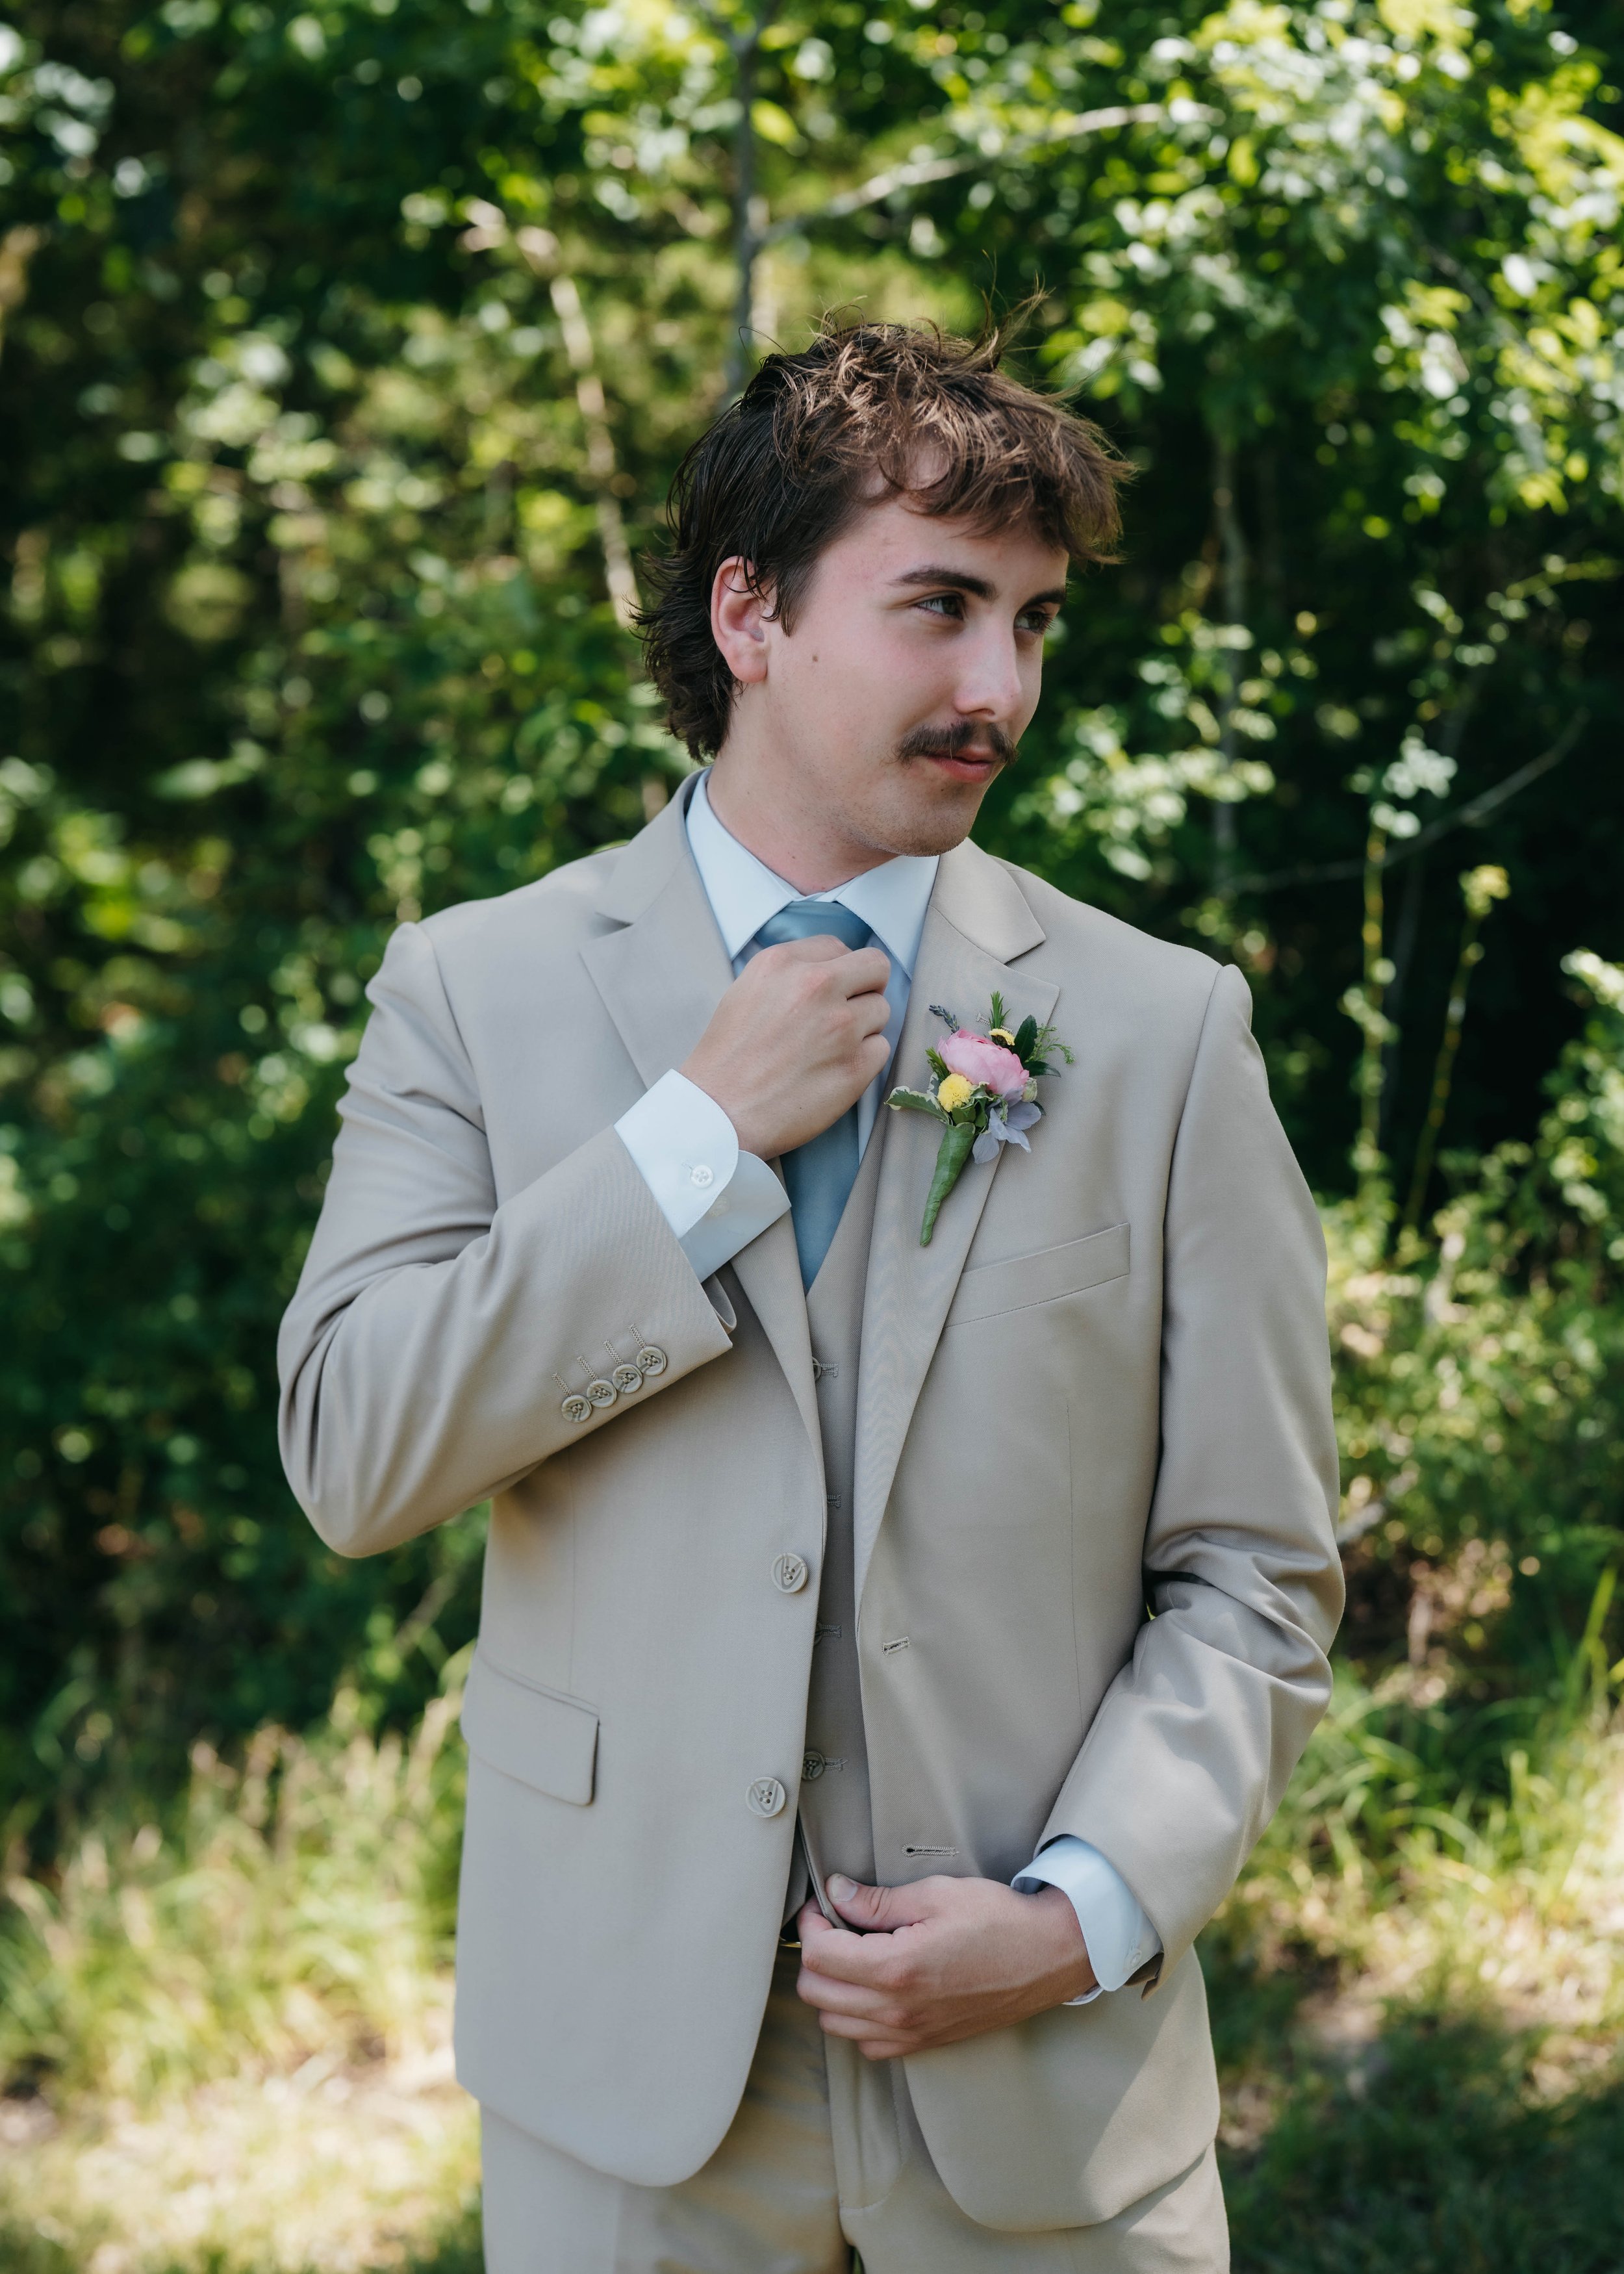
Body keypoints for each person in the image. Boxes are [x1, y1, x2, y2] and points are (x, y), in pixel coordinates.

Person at [278, 319, 1342, 2273]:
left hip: (1043, 2080)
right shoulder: (474, 990)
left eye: (1029, 624)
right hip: (631, 2090)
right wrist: (693, 1135)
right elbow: (355, 1453)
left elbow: (1255, 1569)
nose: (996, 686)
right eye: (939, 607)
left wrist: (1081, 1909)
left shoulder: (1164, 1030)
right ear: (747, 613)